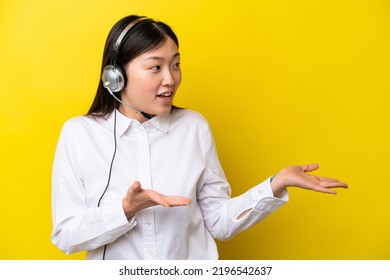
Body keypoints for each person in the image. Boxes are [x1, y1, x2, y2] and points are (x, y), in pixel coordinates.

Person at [50, 15, 348, 260]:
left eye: (175, 64)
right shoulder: (79, 135)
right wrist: (126, 210)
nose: (171, 78)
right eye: (156, 67)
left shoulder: (194, 127)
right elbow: (66, 236)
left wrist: (275, 184)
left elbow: (218, 221)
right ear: (116, 76)